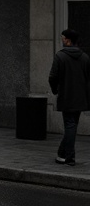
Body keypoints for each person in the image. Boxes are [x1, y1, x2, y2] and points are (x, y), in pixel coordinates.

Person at [49, 28, 90, 166]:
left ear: (68, 40)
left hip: (66, 96)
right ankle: (61, 153)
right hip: (80, 97)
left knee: (70, 125)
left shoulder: (60, 56)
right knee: (72, 125)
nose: (62, 39)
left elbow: (53, 77)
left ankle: (69, 157)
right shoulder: (85, 57)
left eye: (63, 37)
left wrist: (55, 90)